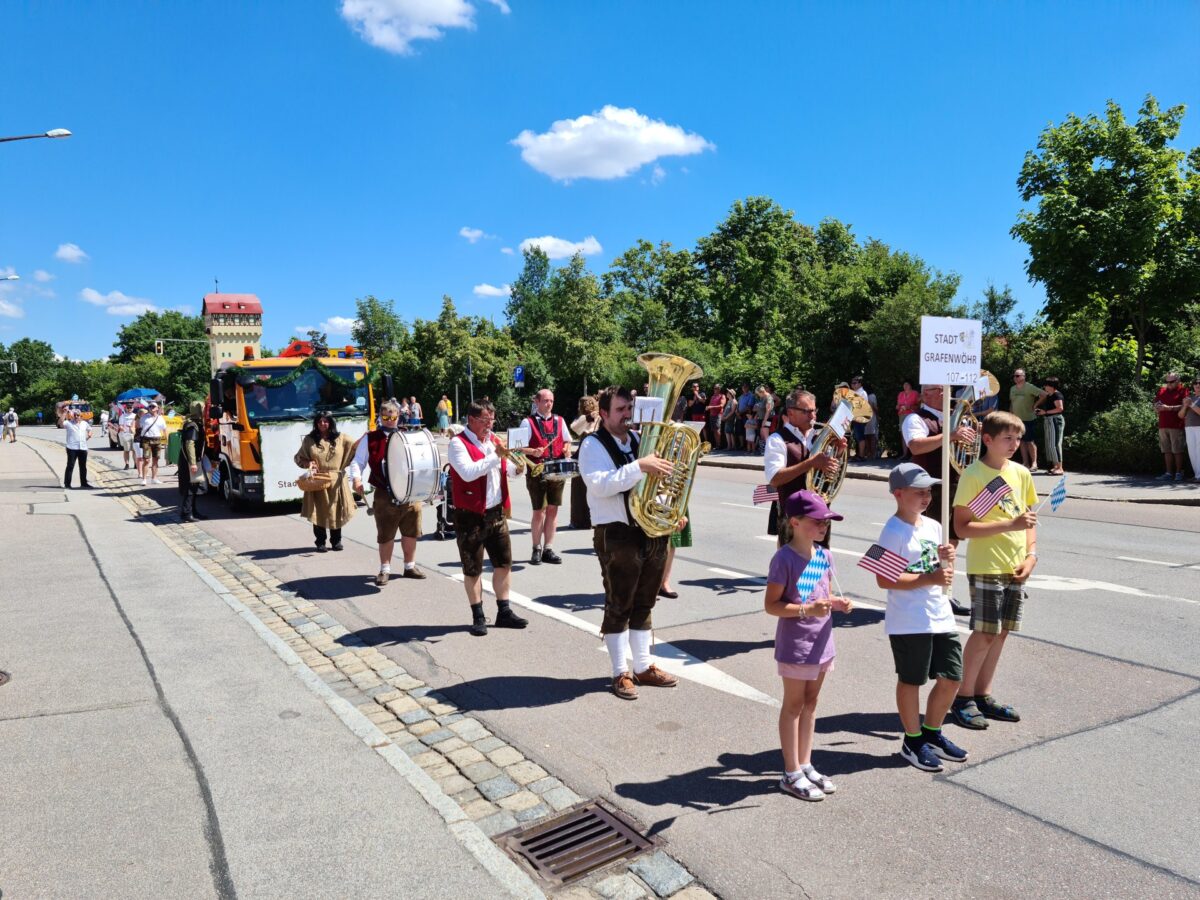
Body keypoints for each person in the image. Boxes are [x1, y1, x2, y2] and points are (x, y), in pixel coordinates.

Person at [578, 385, 681, 700]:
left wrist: (669, 511)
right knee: (619, 602)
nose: (626, 415)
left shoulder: (639, 441)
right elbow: (600, 486)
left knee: (644, 601)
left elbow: (658, 483)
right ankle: (619, 672)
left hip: (650, 529)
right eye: (620, 410)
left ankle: (644, 666)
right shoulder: (592, 444)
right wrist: (639, 466)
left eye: (629, 409)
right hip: (617, 532)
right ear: (604, 413)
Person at [873, 463, 968, 772]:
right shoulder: (893, 530)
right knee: (912, 679)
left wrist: (946, 559)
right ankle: (912, 740)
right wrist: (928, 578)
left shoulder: (933, 525)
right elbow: (884, 579)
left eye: (929, 491)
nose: (927, 497)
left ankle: (932, 732)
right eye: (919, 492)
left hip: (940, 613)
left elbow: (936, 566)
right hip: (909, 618)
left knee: (952, 676)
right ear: (898, 494)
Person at [951, 411, 1038, 730]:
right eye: (1008, 438)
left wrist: (1031, 555)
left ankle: (983, 694)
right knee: (985, 631)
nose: (1015, 444)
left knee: (1001, 632)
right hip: (987, 563)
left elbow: (1029, 518)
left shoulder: (1021, 473)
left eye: (1018, 438)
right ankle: (962, 697)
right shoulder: (974, 474)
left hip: (1016, 563)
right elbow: (962, 528)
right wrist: (1009, 524)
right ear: (987, 440)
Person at [765, 489, 852, 801]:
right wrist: (806, 610)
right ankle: (790, 772)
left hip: (821, 642)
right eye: (817, 521)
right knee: (793, 705)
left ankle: (805, 763)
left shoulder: (823, 555)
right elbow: (773, 605)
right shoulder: (784, 558)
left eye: (826, 521)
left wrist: (835, 603)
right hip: (796, 645)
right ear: (795, 522)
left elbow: (817, 598)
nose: (823, 526)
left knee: (811, 703)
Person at [447, 399, 529, 636]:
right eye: (485, 421)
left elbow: (503, 470)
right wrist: (497, 455)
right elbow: (469, 473)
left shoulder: (493, 440)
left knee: (504, 564)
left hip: (496, 512)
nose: (489, 426)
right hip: (470, 515)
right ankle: (478, 615)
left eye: (492, 421)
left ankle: (504, 611)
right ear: (471, 420)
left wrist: (517, 469)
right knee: (473, 569)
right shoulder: (457, 444)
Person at [902, 384, 977, 616]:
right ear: (925, 394)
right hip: (929, 488)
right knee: (930, 543)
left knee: (951, 542)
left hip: (956, 485)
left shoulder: (957, 419)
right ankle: (923, 590)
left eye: (947, 389)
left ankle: (946, 593)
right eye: (938, 389)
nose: (946, 393)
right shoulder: (916, 418)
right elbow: (915, 445)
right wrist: (950, 435)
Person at [349, 399, 427, 584]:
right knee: (386, 533)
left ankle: (409, 566)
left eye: (393, 417)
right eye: (385, 417)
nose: (390, 420)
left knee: (411, 530)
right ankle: (385, 569)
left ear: (398, 417)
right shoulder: (370, 438)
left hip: (409, 491)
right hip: (384, 492)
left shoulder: (408, 435)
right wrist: (357, 479)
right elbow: (357, 462)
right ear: (380, 417)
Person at [763, 390, 842, 547]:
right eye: (806, 411)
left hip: (820, 514)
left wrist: (838, 453)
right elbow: (775, 478)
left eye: (814, 410)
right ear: (791, 413)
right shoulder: (777, 439)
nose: (812, 416)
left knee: (819, 564)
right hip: (795, 517)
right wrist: (811, 463)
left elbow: (829, 477)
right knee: (793, 565)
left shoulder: (820, 438)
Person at [293, 413, 358, 552]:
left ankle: (336, 541)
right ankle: (320, 542)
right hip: (318, 479)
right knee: (319, 510)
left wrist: (368, 437)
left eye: (326, 421)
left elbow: (356, 448)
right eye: (320, 421)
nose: (323, 424)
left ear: (331, 423)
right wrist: (308, 462)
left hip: (336, 480)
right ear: (316, 423)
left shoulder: (342, 438)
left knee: (336, 509)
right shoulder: (310, 440)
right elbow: (299, 457)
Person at [524, 389, 570, 566]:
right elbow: (518, 447)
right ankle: (536, 548)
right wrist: (532, 451)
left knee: (553, 510)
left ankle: (548, 548)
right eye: (545, 400)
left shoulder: (560, 420)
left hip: (557, 470)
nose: (549, 404)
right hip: (538, 471)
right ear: (536, 402)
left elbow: (566, 440)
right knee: (539, 511)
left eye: (551, 400)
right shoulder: (527, 422)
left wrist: (566, 448)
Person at [569, 395, 600, 530]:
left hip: (591, 458)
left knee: (585, 491)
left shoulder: (600, 419)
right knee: (581, 490)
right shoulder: (585, 418)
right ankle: (582, 520)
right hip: (584, 457)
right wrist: (588, 418)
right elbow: (574, 428)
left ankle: (585, 520)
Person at [1154, 372, 1189, 482]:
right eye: (1167, 381)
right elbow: (1155, 404)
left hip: (1176, 425)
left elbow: (1185, 406)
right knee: (1166, 450)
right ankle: (1168, 473)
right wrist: (1156, 407)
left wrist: (1168, 408)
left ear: (1178, 381)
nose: (1169, 384)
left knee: (1177, 450)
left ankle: (1179, 473)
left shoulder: (1183, 390)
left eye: (1171, 382)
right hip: (1163, 425)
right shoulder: (1162, 390)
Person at [178, 401, 208, 523]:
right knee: (190, 487)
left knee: (195, 486)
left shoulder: (196, 424)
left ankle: (193, 511)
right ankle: (186, 513)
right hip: (190, 461)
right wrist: (193, 463)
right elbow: (190, 444)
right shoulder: (192, 426)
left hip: (195, 459)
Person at [1008, 369, 1043, 470]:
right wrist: (1011, 416)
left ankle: (1034, 463)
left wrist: (1035, 405)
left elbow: (1044, 394)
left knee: (1030, 441)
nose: (1015, 377)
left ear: (1024, 376)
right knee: (1021, 441)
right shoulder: (1012, 388)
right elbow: (1012, 403)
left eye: (1018, 376)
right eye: (1014, 376)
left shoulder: (1029, 387)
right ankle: (1025, 463)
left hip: (1028, 418)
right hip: (1017, 419)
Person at [1034, 377, 1065, 476]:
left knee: (1055, 444)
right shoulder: (1049, 394)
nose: (1045, 386)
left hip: (1055, 420)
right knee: (1049, 444)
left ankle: (1060, 467)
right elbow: (1042, 397)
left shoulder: (1057, 395)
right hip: (1048, 420)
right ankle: (1054, 466)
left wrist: (1045, 412)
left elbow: (1060, 408)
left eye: (1047, 384)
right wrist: (1036, 407)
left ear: (1051, 386)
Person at [138, 402, 168, 485]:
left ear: (157, 408)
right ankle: (144, 479)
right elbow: (140, 426)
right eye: (150, 406)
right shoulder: (144, 417)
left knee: (156, 460)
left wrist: (166, 439)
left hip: (157, 439)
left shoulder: (161, 418)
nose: (151, 407)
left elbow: (164, 429)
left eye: (153, 406)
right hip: (146, 439)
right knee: (146, 460)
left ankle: (154, 478)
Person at [63, 407, 93, 489]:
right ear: (73, 416)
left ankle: (84, 483)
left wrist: (89, 434)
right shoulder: (69, 423)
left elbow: (90, 429)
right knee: (70, 466)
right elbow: (61, 423)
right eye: (75, 415)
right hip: (72, 448)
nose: (77, 417)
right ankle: (67, 484)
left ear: (81, 416)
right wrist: (64, 413)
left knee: (83, 466)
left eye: (78, 415)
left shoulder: (84, 423)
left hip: (83, 448)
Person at [1182, 377, 1200, 481]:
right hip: (1189, 428)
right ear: (1193, 386)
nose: (1197, 385)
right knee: (1192, 452)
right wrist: (1185, 406)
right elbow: (1180, 415)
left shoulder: (1190, 401)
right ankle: (1197, 475)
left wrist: (1191, 405)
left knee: (1199, 451)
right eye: (1195, 383)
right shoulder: (1189, 398)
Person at [116, 404, 138, 469]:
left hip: (134, 434)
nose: (129, 409)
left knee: (135, 450)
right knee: (126, 450)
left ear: (133, 408)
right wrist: (123, 429)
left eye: (130, 407)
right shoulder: (123, 416)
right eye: (128, 408)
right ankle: (127, 464)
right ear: (126, 409)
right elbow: (120, 425)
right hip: (126, 434)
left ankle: (136, 464)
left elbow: (138, 424)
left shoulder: (135, 416)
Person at [705, 383, 725, 449]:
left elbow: (721, 405)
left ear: (719, 389)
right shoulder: (713, 396)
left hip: (718, 415)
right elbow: (710, 405)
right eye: (714, 388)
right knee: (714, 430)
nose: (714, 389)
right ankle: (717, 445)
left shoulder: (722, 396)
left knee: (717, 430)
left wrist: (711, 407)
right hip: (712, 415)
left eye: (716, 388)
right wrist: (708, 407)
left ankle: (720, 445)